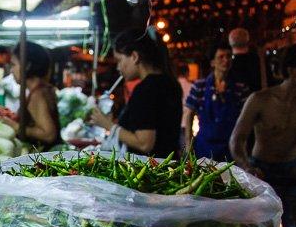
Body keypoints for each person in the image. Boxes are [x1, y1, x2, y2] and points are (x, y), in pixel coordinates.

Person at [230, 42, 296, 227]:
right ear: (292, 70)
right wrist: (247, 167)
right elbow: (237, 139)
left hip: (295, 172)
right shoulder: (261, 100)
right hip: (262, 172)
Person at [89, 29, 182, 158]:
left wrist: (108, 125)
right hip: (167, 165)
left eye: (119, 60)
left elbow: (145, 143)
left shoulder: (146, 89)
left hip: (149, 170)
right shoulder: (170, 83)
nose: (118, 67)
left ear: (134, 57)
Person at [184, 43, 249, 161]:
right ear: (212, 62)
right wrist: (189, 147)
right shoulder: (200, 86)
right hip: (204, 148)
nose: (226, 60)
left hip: (230, 149)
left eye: (229, 56)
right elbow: (189, 115)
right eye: (221, 57)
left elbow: (246, 120)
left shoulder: (240, 88)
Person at [0, 41, 60, 150]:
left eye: (13, 65)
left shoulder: (37, 95)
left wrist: (16, 127)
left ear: (27, 65)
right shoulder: (43, 88)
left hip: (44, 156)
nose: (11, 70)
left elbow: (49, 134)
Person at [228, 28, 264, 93]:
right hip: (260, 101)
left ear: (230, 43)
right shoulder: (260, 61)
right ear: (248, 41)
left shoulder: (227, 64)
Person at [177, 62, 193, 150]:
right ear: (187, 72)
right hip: (186, 124)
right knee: (185, 154)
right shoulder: (191, 86)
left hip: (175, 124)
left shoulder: (174, 85)